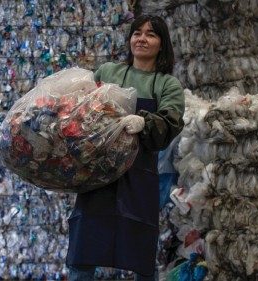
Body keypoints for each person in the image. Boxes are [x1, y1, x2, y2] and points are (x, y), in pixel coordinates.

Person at [66, 14, 185, 281]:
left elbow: (171, 122)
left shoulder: (167, 84)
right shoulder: (109, 72)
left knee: (140, 250)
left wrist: (145, 122)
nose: (142, 39)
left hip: (138, 178)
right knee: (83, 247)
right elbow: (79, 107)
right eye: (137, 33)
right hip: (98, 177)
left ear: (162, 43)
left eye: (151, 34)